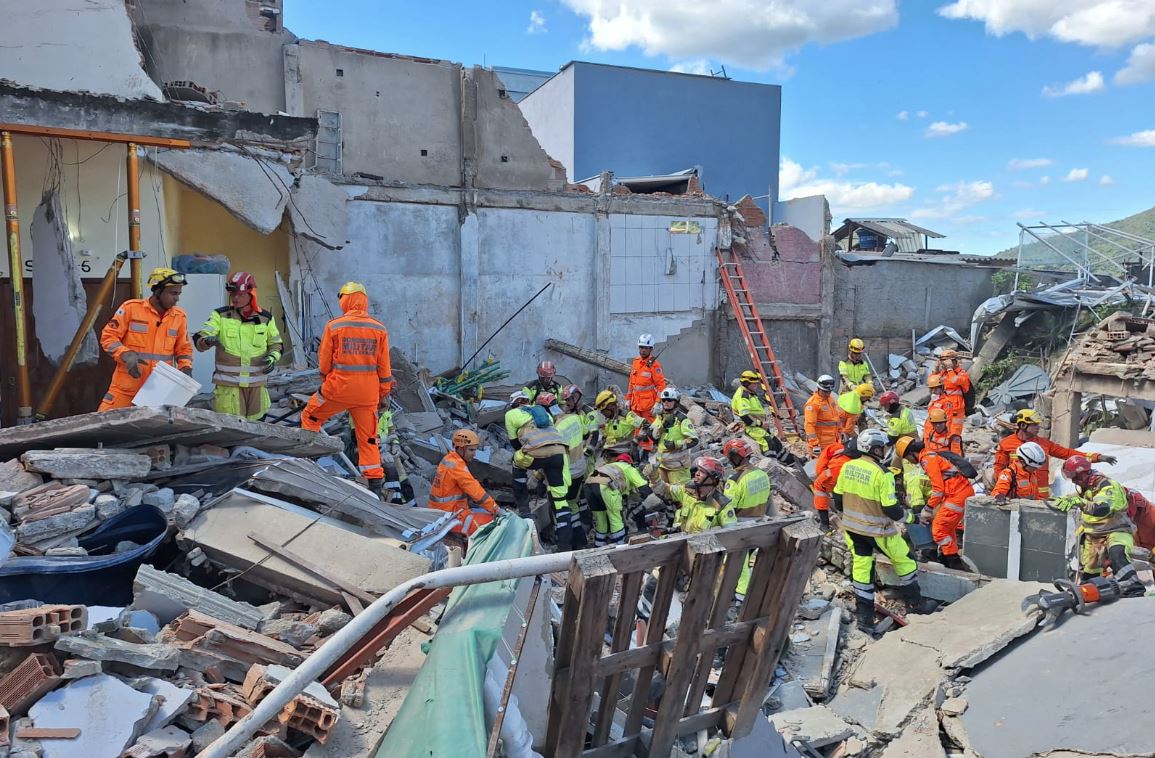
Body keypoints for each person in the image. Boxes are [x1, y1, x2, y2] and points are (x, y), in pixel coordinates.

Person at [834, 429, 936, 632]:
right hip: (878, 530)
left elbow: (837, 499)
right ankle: (916, 606)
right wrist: (912, 518)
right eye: (882, 447)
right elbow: (892, 510)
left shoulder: (847, 467)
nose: (884, 451)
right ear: (874, 449)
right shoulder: (883, 474)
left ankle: (865, 618)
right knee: (906, 561)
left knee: (862, 569)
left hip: (853, 528)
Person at [301, 282, 393, 497]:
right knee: (369, 439)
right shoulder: (379, 328)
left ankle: (309, 462)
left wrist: (326, 381)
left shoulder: (335, 326)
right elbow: (385, 366)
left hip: (338, 389)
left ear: (345, 300)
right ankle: (375, 483)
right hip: (367, 394)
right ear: (364, 300)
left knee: (310, 417)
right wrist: (383, 392)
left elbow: (324, 362)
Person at [99, 268, 194, 411]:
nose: (177, 298)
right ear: (157, 290)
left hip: (157, 391)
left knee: (150, 431)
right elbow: (108, 337)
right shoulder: (131, 308)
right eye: (173, 293)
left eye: (179, 293)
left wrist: (185, 367)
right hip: (126, 389)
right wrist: (125, 354)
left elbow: (183, 349)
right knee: (105, 426)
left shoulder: (179, 317)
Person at [192, 271, 283, 421]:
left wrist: (273, 358)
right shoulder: (220, 316)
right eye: (233, 294)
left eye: (240, 295)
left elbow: (276, 344)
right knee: (231, 432)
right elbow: (200, 337)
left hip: (256, 389)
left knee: (257, 430)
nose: (235, 298)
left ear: (251, 294)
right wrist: (207, 341)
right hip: (229, 390)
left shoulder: (265, 318)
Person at [993, 409, 1117, 498]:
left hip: (1041, 497)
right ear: (1023, 425)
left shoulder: (1044, 444)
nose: (1038, 427)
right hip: (1017, 496)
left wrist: (1097, 457)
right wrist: (1003, 493)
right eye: (1034, 424)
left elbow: (1068, 454)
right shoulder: (1006, 444)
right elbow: (999, 471)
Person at [505, 391, 574, 547]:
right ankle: (564, 547)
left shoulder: (511, 414)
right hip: (559, 452)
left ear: (514, 403)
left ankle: (524, 508)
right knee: (560, 501)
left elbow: (516, 445)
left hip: (535, 453)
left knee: (517, 462)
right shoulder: (542, 412)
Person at [1054, 456, 1137, 585]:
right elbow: (1086, 497)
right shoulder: (1087, 486)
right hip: (1094, 535)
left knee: (1117, 555)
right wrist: (1064, 500)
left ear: (1086, 472)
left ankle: (1133, 587)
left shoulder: (1108, 486)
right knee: (1089, 572)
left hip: (1115, 531)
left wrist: (1081, 503)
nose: (1074, 481)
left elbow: (1102, 508)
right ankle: (1093, 591)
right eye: (1072, 478)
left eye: (1076, 477)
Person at [896, 436, 974, 570]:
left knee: (938, 530)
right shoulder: (929, 454)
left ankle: (954, 562)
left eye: (907, 458)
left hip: (957, 494)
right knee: (947, 529)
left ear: (910, 453)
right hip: (959, 492)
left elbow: (938, 489)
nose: (909, 462)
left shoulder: (926, 459)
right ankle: (946, 557)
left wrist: (928, 508)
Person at [724, 438, 773, 602]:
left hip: (740, 525)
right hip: (759, 523)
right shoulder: (762, 475)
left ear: (734, 457)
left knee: (738, 564)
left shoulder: (735, 480)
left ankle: (740, 597)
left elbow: (728, 508)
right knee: (748, 560)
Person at [428, 429, 500, 537]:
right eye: (471, 450)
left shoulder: (449, 459)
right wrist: (496, 510)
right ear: (461, 449)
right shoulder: (457, 467)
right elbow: (477, 492)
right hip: (450, 518)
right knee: (494, 523)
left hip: (442, 513)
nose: (474, 454)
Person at [654, 456, 736, 535]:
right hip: (681, 541)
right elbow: (664, 489)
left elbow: (731, 536)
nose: (697, 473)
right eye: (698, 470)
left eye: (702, 471)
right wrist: (653, 476)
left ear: (714, 479)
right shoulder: (687, 490)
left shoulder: (722, 505)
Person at [554, 385, 594, 547]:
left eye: (569, 400)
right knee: (574, 504)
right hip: (579, 468)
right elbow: (584, 434)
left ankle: (566, 544)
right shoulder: (575, 418)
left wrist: (538, 476)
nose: (566, 403)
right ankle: (580, 540)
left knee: (563, 507)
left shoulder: (563, 422)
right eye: (564, 401)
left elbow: (553, 452)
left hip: (569, 471)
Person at [585, 452, 652, 546]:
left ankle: (599, 547)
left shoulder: (610, 466)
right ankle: (620, 546)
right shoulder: (629, 468)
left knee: (601, 520)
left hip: (589, 484)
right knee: (615, 518)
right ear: (630, 462)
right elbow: (644, 488)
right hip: (606, 486)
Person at [649, 387, 698, 485]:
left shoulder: (682, 419)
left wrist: (676, 444)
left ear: (676, 402)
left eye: (670, 400)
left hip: (677, 468)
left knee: (680, 495)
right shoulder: (660, 417)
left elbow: (694, 440)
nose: (666, 402)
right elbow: (654, 436)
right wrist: (654, 430)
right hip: (662, 465)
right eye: (664, 400)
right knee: (662, 493)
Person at [812, 439, 858, 531]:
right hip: (855, 473)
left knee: (820, 488)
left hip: (836, 472)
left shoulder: (834, 447)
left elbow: (820, 466)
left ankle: (825, 524)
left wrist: (821, 475)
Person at [627, 334, 666, 422]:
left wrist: (657, 403)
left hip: (648, 406)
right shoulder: (636, 362)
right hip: (635, 404)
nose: (643, 350)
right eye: (641, 347)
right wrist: (628, 399)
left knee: (649, 430)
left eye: (646, 348)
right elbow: (631, 383)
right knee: (637, 428)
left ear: (651, 349)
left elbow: (661, 386)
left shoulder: (655, 365)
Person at [732, 370, 774, 452]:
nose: (756, 385)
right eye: (754, 384)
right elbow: (745, 417)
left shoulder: (750, 393)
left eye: (756, 383)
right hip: (749, 426)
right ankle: (770, 462)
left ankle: (791, 461)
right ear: (746, 383)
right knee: (767, 442)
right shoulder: (743, 396)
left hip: (757, 425)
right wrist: (761, 424)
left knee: (776, 442)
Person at [804, 374, 841, 457]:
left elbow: (835, 418)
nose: (827, 394)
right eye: (825, 391)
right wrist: (814, 444)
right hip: (821, 444)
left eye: (829, 392)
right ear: (819, 389)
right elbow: (809, 425)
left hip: (833, 441)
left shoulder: (830, 399)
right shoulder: (813, 404)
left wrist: (840, 431)